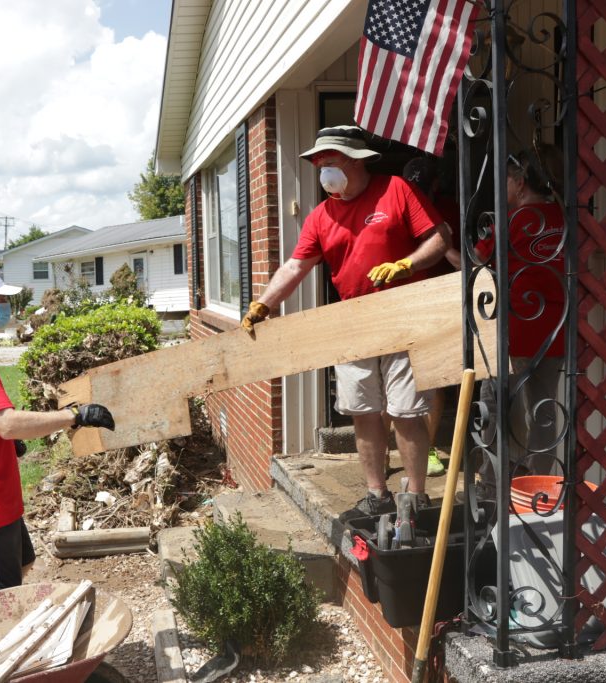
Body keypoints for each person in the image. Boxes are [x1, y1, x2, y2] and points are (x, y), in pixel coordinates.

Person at [241, 126, 451, 518]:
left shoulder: (396, 190)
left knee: (406, 411)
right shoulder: (321, 216)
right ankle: (377, 494)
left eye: (330, 163)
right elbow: (296, 265)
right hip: (353, 324)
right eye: (319, 165)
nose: (323, 172)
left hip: (403, 315)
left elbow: (440, 237)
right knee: (362, 409)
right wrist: (263, 305)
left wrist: (407, 264)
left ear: (356, 162)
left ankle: (417, 496)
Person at [0, 267, 116, 595]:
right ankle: (5, 644)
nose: (7, 307)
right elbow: (6, 423)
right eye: (0, 300)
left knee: (22, 563)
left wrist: (3, 437)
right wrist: (75, 416)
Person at [475, 147, 565, 492]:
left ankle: (492, 481)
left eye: (506, 182)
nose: (504, 190)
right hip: (554, 332)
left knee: (494, 404)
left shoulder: (513, 222)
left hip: (512, 333)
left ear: (520, 182)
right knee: (543, 410)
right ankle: (541, 483)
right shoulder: (561, 218)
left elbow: (477, 264)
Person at [398, 156, 465, 478]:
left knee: (434, 381)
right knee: (392, 383)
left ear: (435, 185)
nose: (420, 193)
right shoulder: (396, 207)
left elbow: (464, 262)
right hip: (400, 303)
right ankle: (385, 451)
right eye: (415, 186)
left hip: (441, 303)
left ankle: (428, 448)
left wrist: (440, 244)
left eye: (424, 186)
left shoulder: (448, 209)